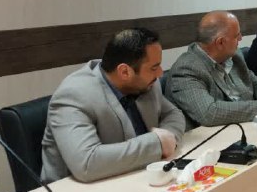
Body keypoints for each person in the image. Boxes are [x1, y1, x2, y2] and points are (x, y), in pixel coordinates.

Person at [41, 28, 185, 183]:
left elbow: (173, 114)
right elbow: (86, 164)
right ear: (124, 72)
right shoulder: (73, 95)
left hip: (135, 177)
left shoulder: (147, 83)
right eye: (154, 68)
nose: (160, 74)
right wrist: (156, 144)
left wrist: (168, 139)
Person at [166, 11, 257, 128]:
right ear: (220, 42)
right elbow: (209, 113)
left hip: (247, 126)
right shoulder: (186, 70)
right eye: (237, 35)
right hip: (213, 139)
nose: (241, 38)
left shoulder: (235, 56)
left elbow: (256, 84)